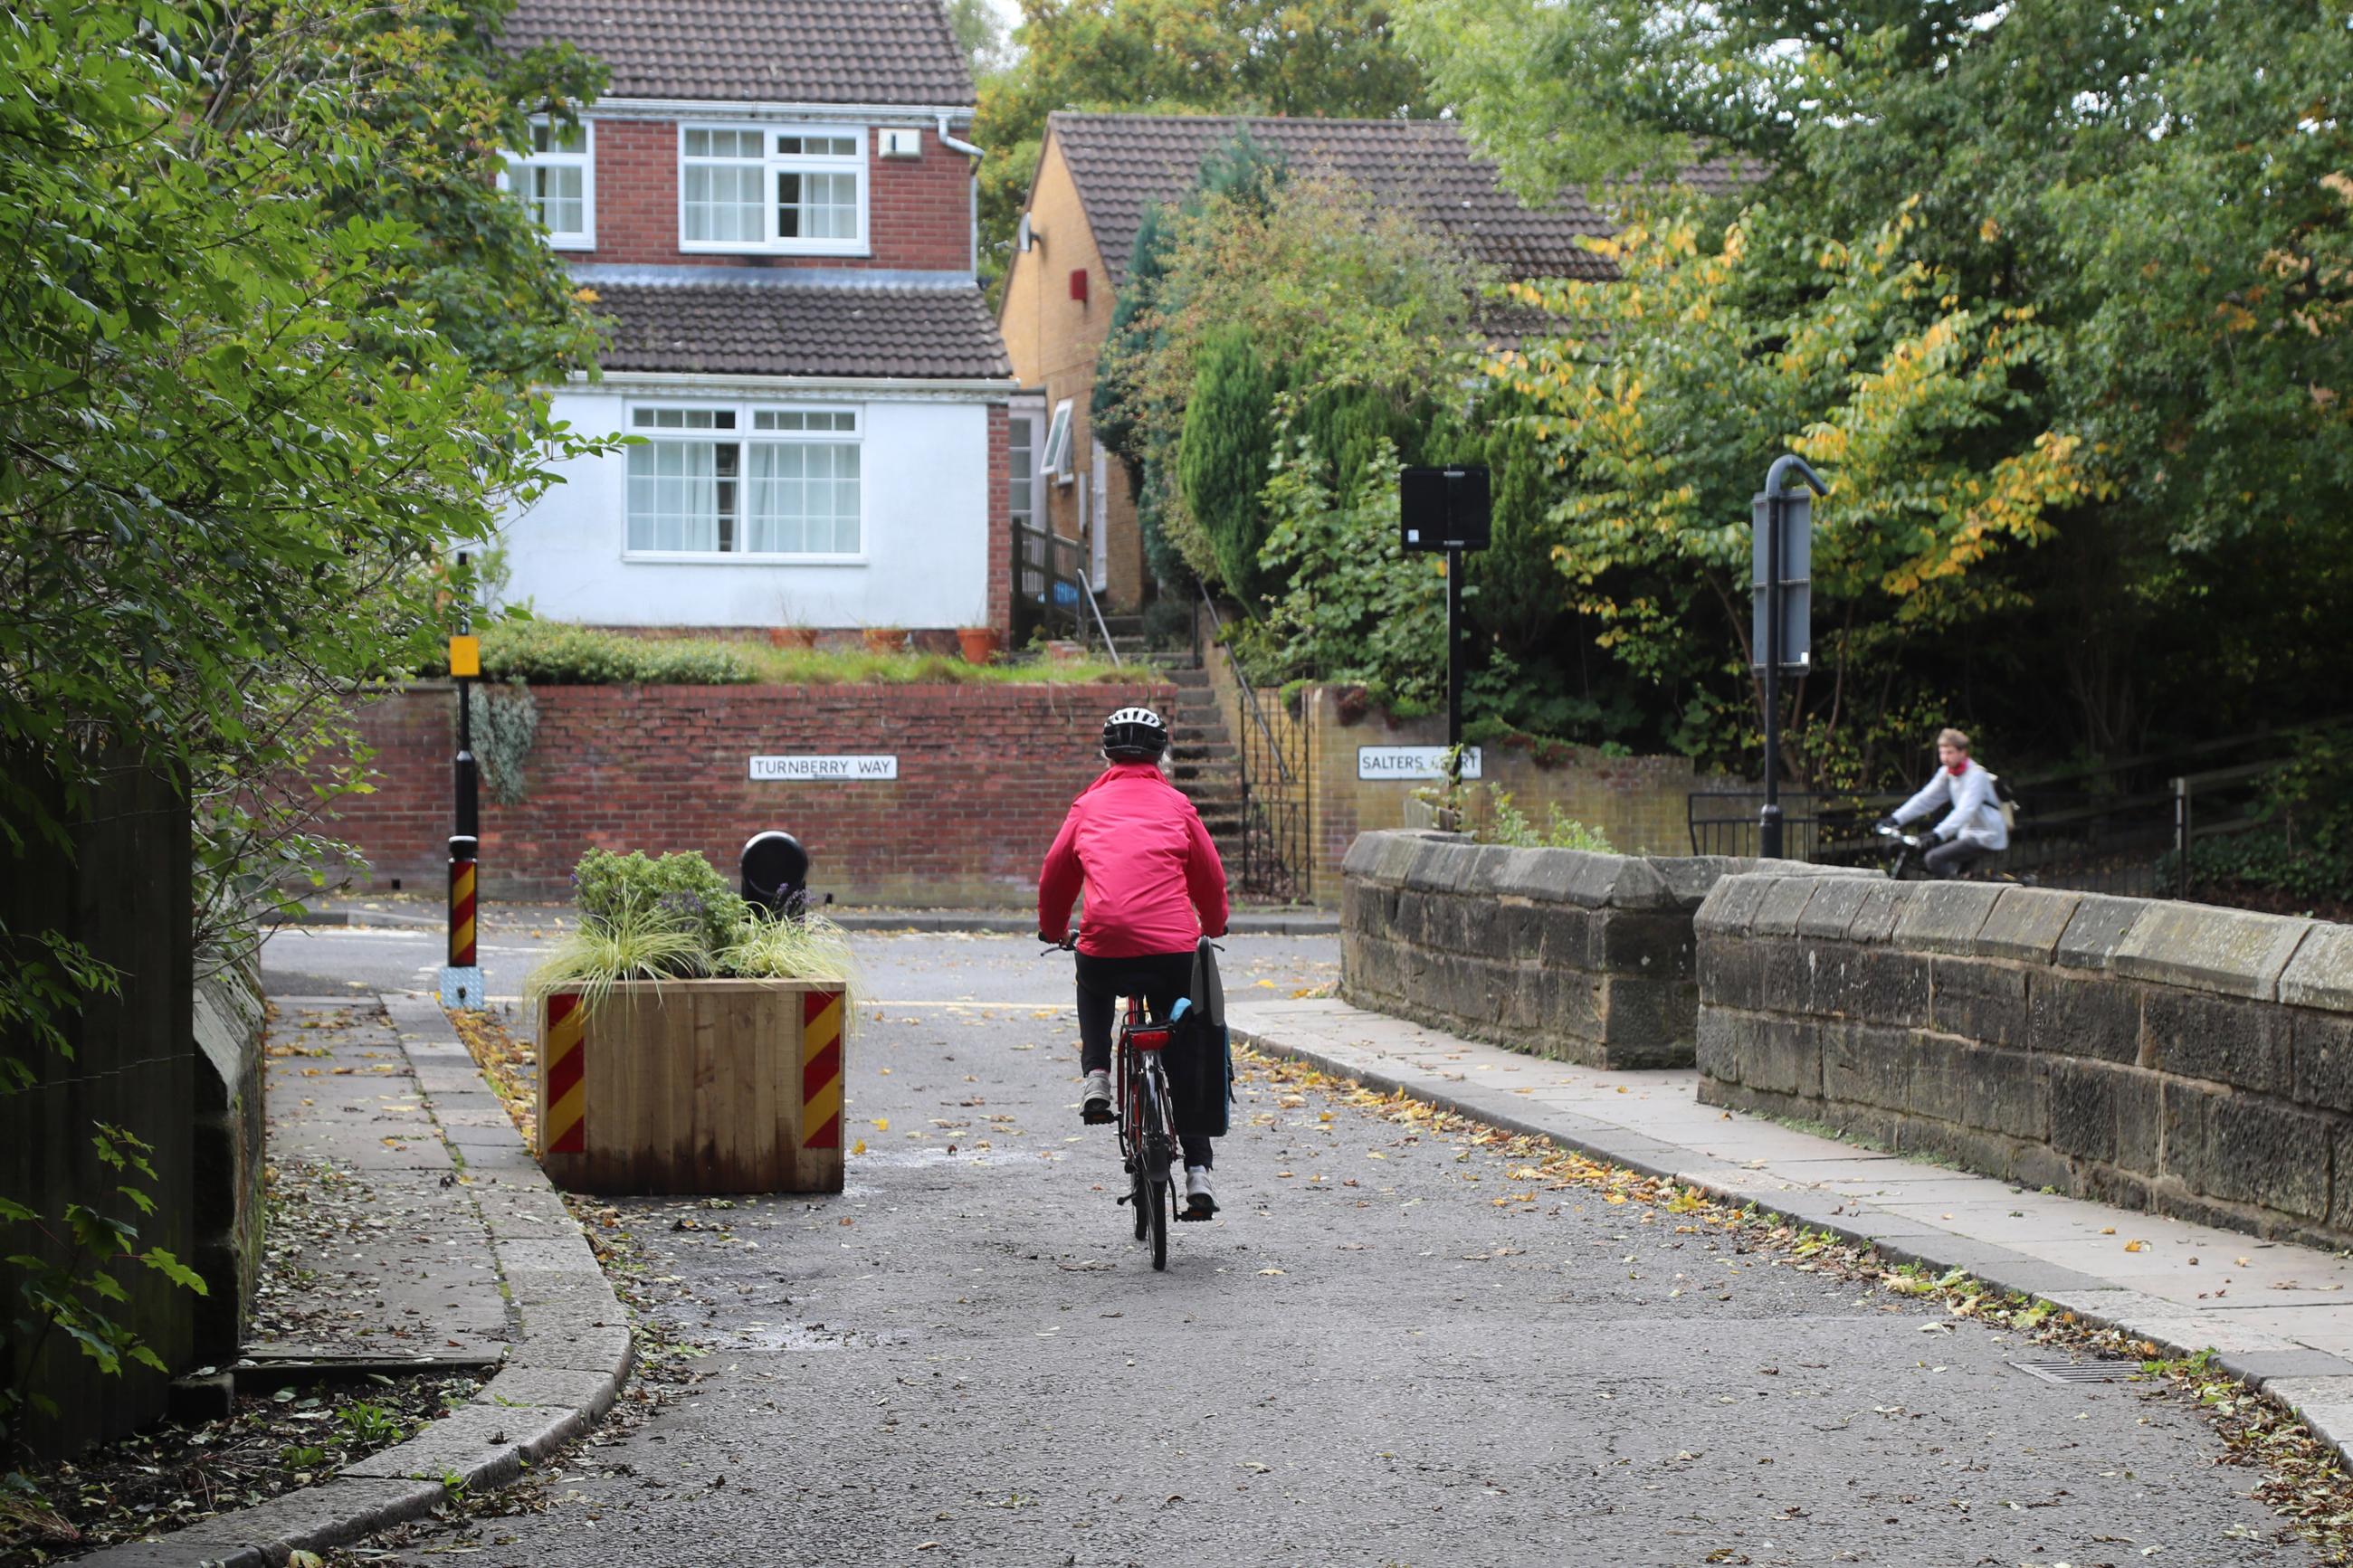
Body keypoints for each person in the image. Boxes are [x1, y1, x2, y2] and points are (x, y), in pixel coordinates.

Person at [1038, 706, 1231, 1218]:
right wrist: (1213, 925)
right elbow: (1209, 878)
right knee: (1186, 1051)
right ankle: (1197, 1173)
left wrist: (1056, 931)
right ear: (1161, 755)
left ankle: (1097, 1076)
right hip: (1172, 953)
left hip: (1107, 949)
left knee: (1092, 977)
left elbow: (1056, 876)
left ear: (1106, 754)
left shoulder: (1087, 805)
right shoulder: (1177, 805)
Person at [1885, 727, 2009, 879]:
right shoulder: (1947, 773)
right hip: (1968, 833)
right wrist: (1895, 819)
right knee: (1920, 854)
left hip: (1986, 834)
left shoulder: (1976, 775)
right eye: (1941, 752)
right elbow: (1926, 798)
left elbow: (1965, 810)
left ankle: (1957, 892)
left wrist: (1938, 834)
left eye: (1949, 752)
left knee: (1934, 858)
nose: (1944, 758)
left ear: (1963, 753)